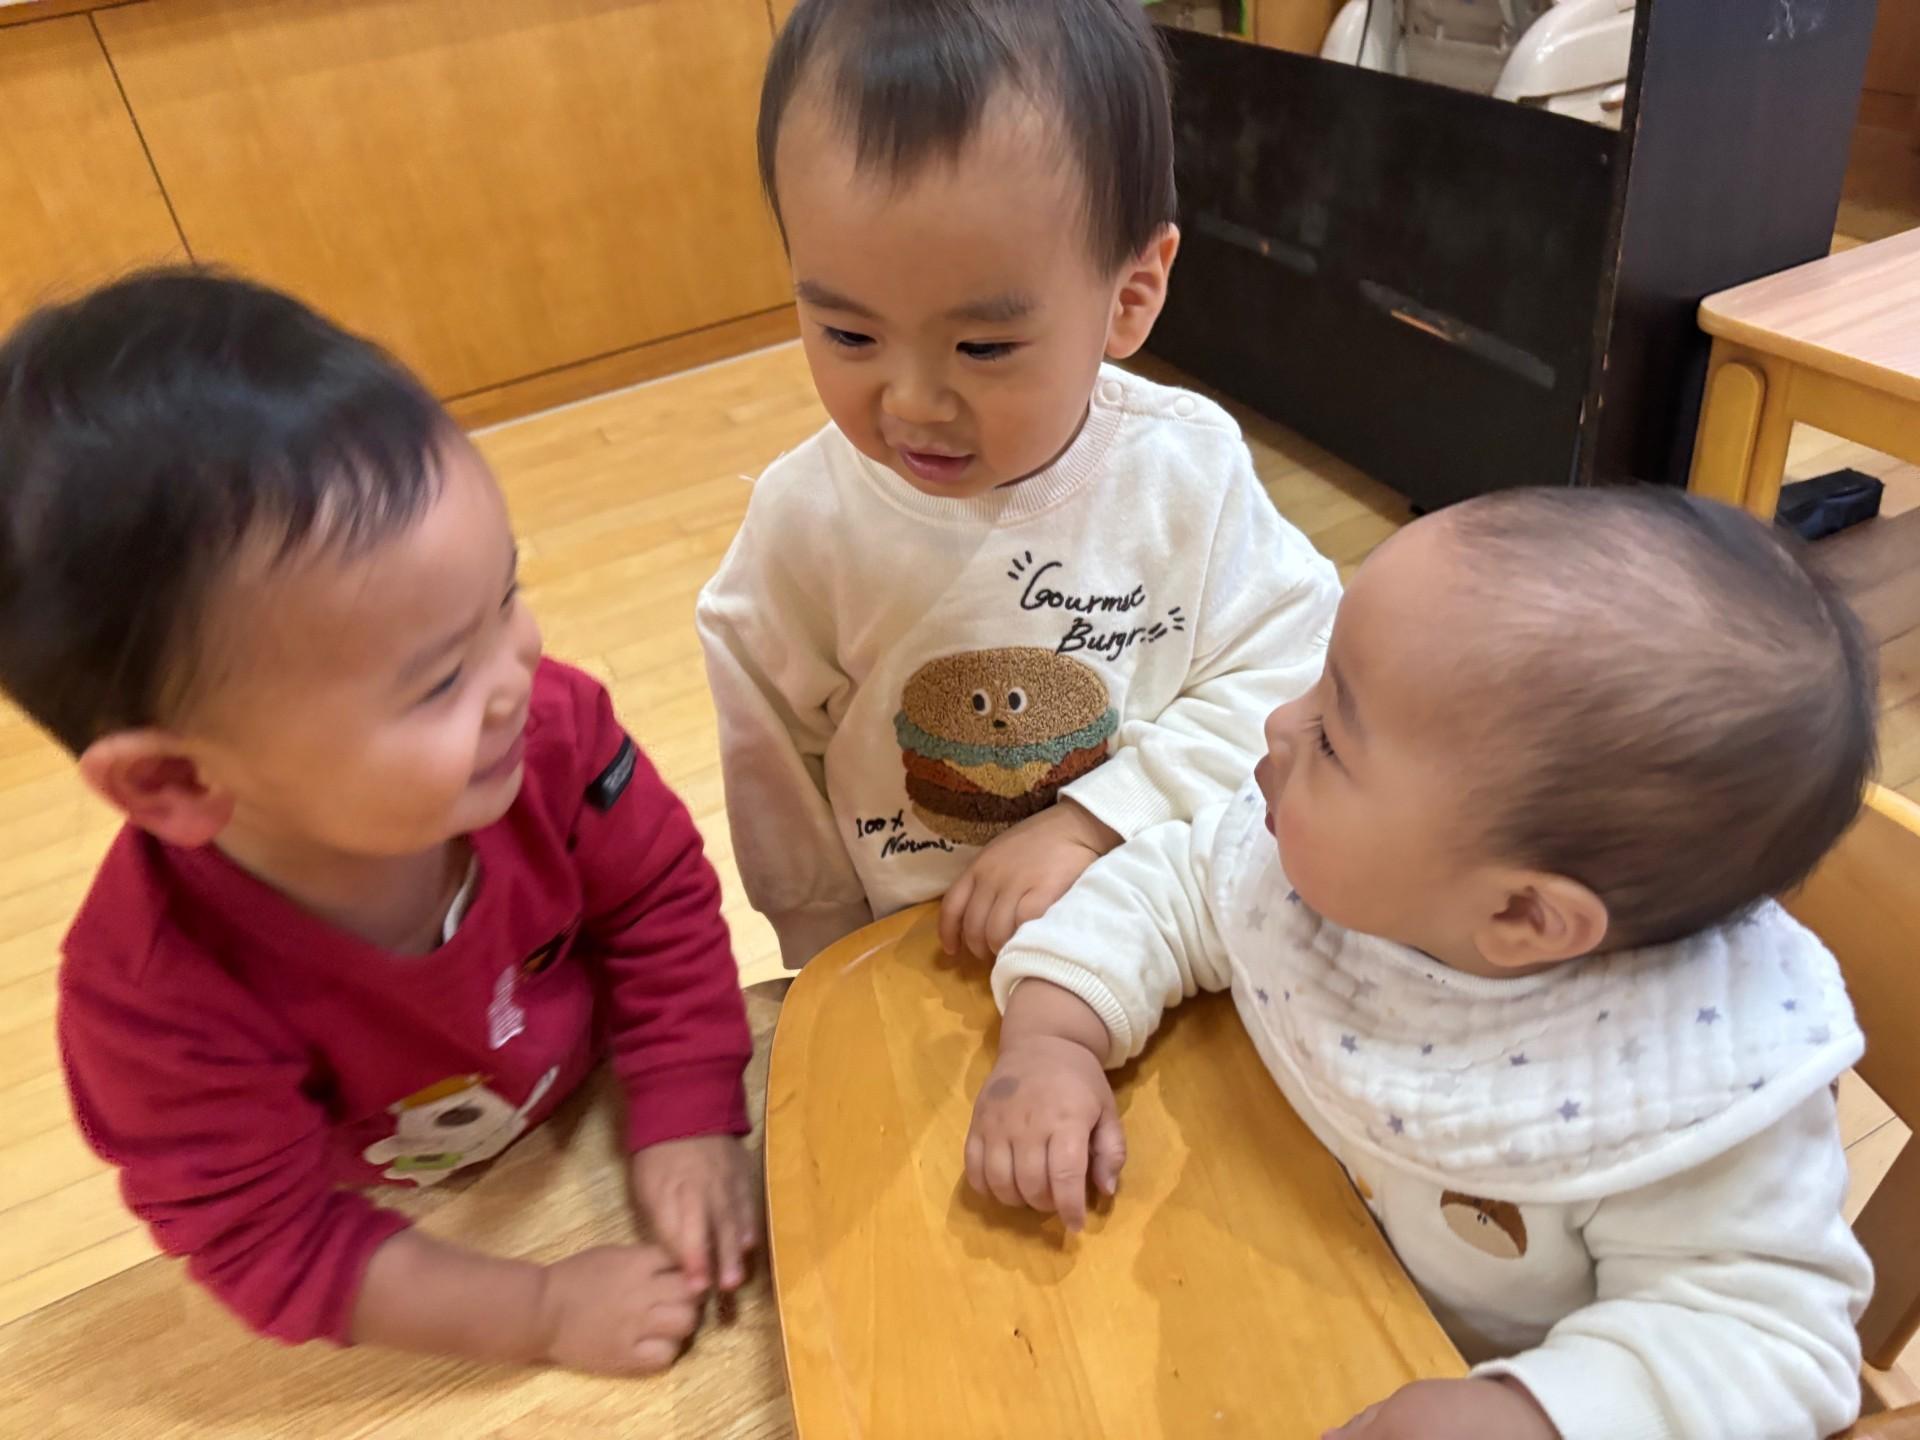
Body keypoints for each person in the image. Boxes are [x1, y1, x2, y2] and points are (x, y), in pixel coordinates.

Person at [967, 487, 1878, 1440]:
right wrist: (1054, 1038)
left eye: (1332, 736)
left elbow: (1773, 1344)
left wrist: (1533, 1416)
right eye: (1318, 684)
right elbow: (1176, 885)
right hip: (1243, 1268)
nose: (1279, 725)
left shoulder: (1699, 1097)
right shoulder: (1333, 861)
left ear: (1521, 913)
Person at [2, 271, 756, 1373]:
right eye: (440, 679)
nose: (522, 668)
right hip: (445, 1215)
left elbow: (655, 900)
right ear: (172, 781)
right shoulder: (152, 1005)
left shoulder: (549, 732)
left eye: (506, 593)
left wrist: (687, 1101)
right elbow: (272, 1242)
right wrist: (539, 1312)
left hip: (592, 1108)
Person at [698, 0, 1341, 968]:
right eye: (849, 334)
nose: (913, 403)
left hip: (1159, 920)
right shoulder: (806, 527)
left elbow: (1295, 668)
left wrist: (1096, 820)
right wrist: (824, 947)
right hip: (919, 950)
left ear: (1129, 297)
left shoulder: (1183, 474)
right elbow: (771, 757)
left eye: (984, 346)